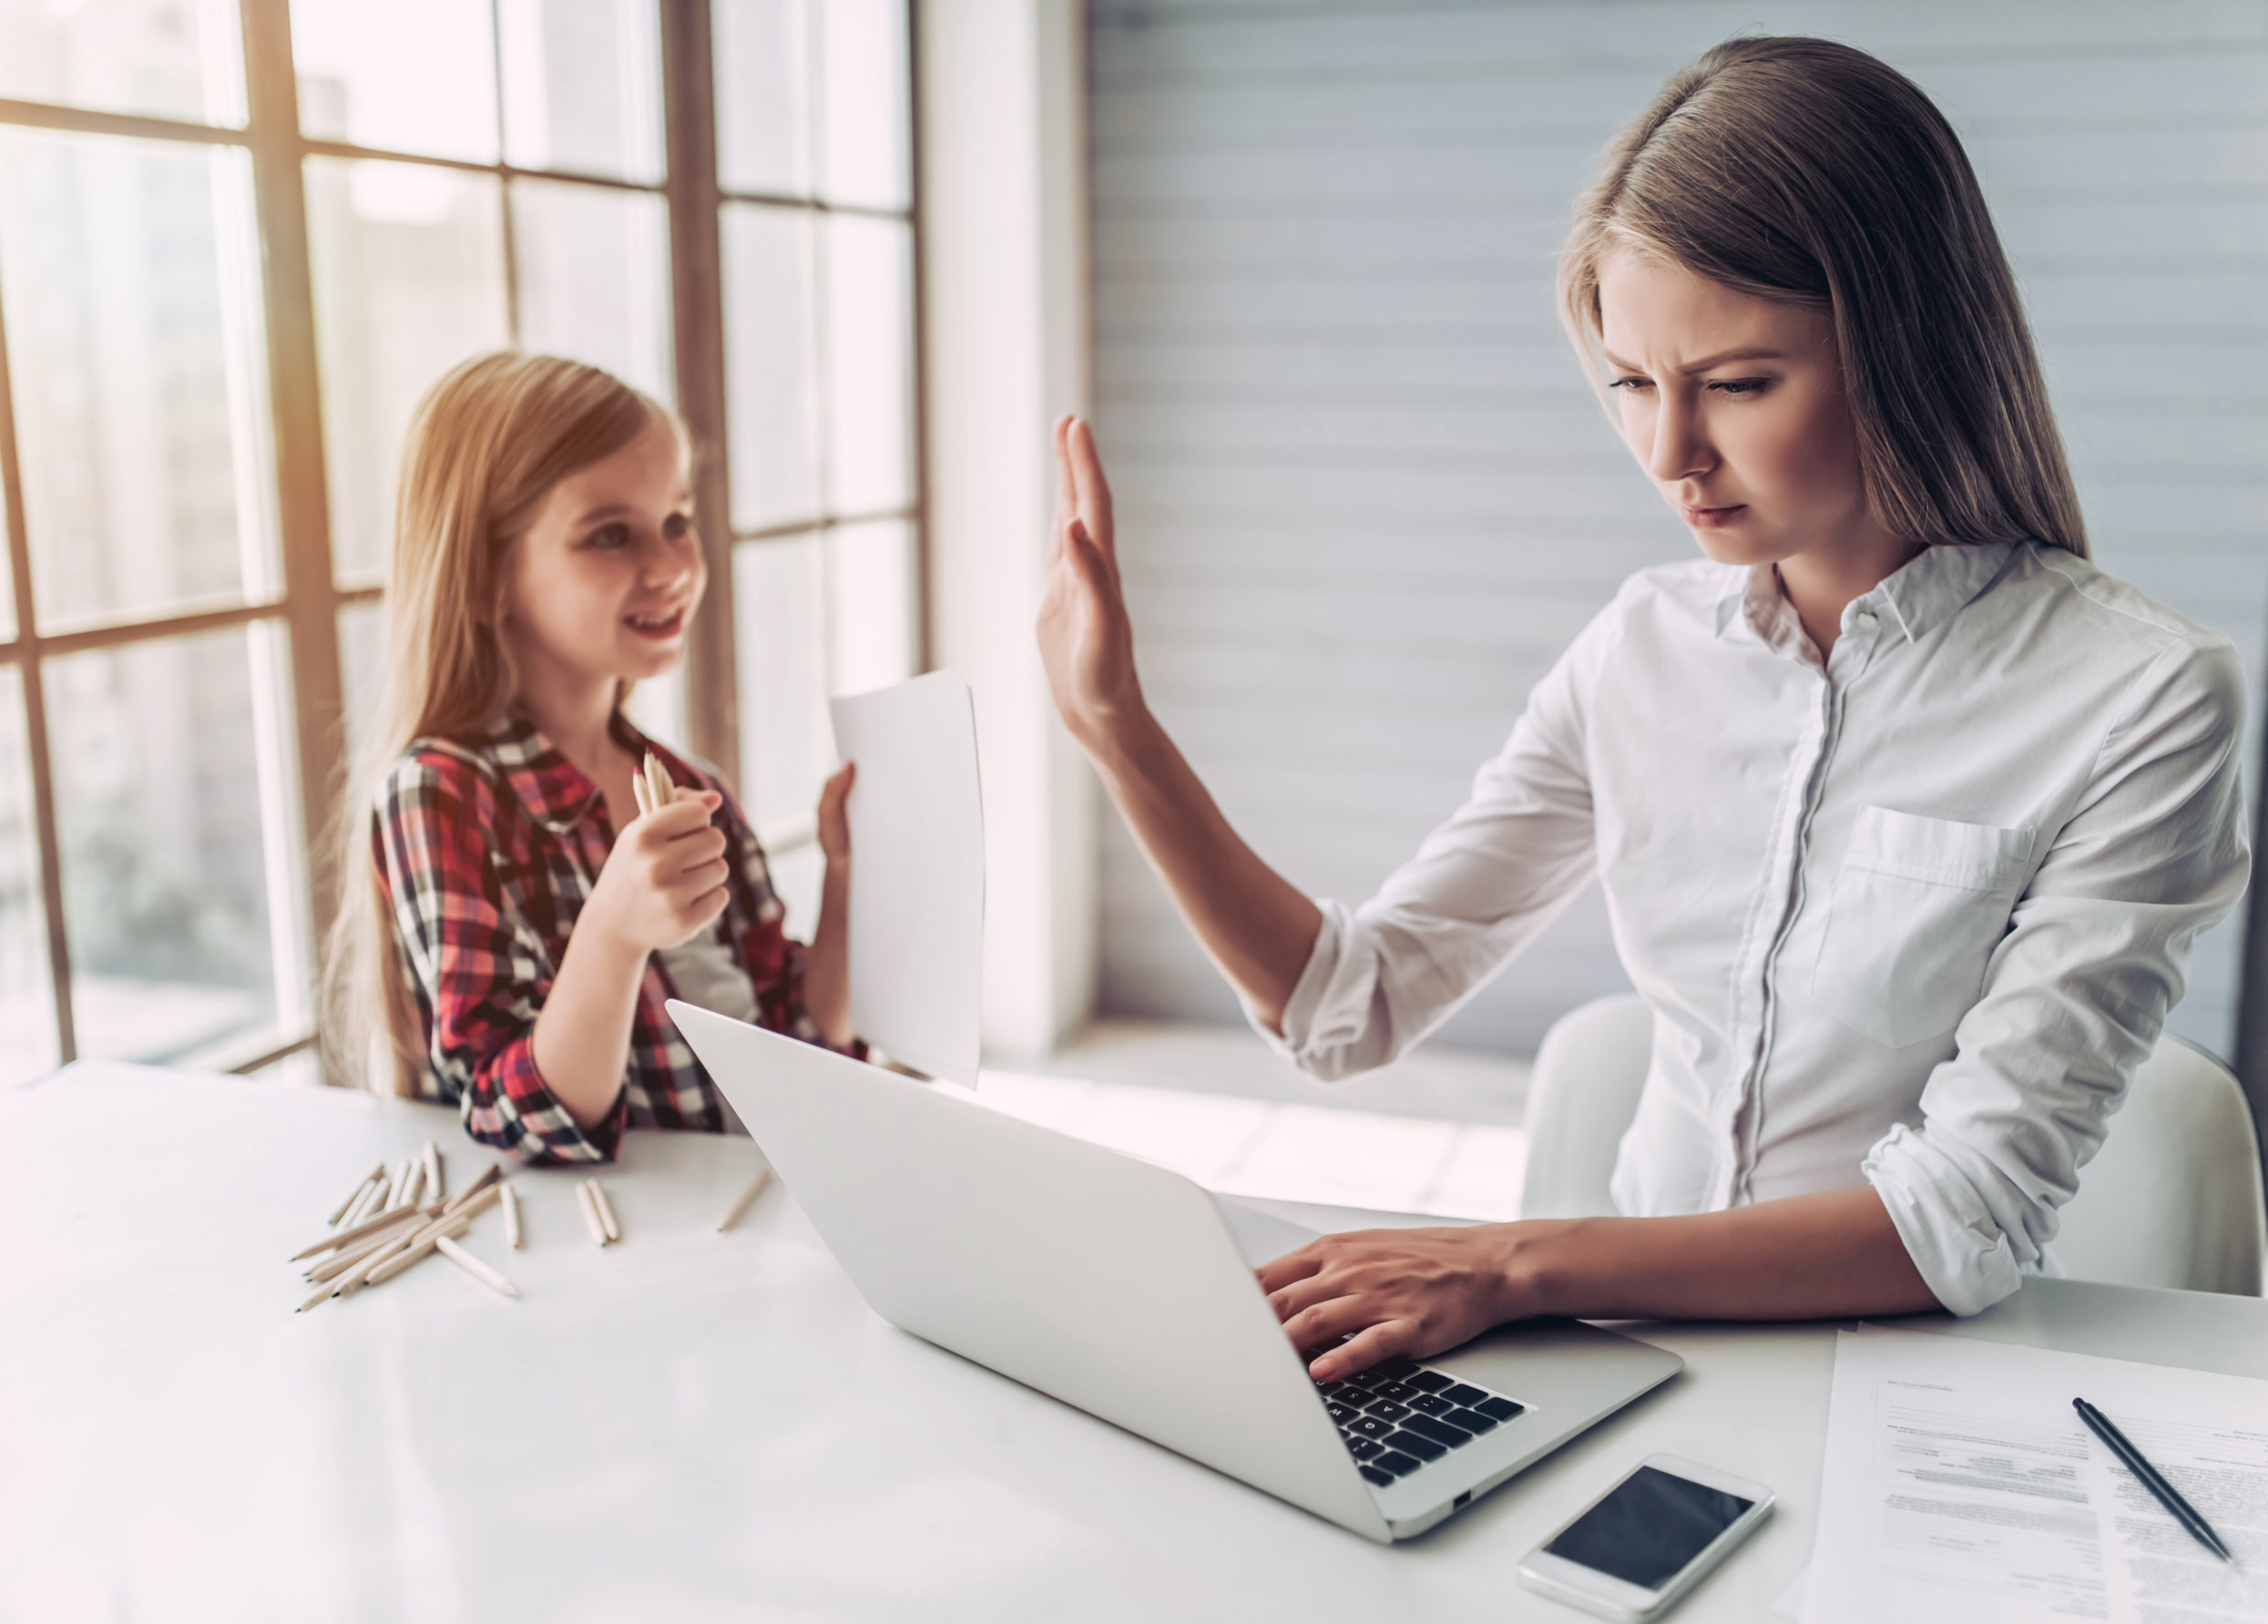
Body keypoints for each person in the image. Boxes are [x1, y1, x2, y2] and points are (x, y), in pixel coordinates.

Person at [1036, 36, 2250, 1383]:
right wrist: (1115, 729)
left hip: (1901, 1387)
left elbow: (1961, 1214)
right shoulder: (1642, 647)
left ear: (1908, 344)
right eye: (1630, 383)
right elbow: (1346, 1003)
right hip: (1624, 1365)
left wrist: (1507, 1261)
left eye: (1736, 383)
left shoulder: (2145, 697)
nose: (1670, 455)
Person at [322, 352, 855, 1161]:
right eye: (611, 535)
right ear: (487, 575)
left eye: (677, 521)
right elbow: (511, 1112)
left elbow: (802, 1043)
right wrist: (612, 933)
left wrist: (849, 883)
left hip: (748, 1223)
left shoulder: (692, 787)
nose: (672, 566)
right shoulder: (442, 795)